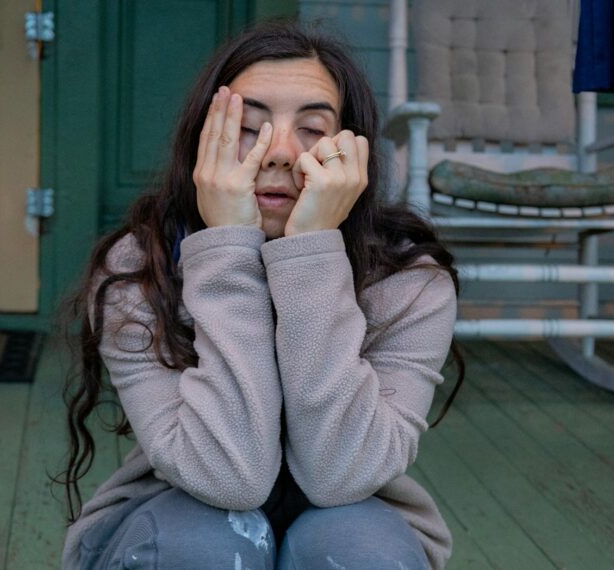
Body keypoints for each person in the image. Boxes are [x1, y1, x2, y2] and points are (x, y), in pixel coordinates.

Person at [57, 21, 463, 570]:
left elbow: (341, 475)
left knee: (356, 550)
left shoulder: (409, 281)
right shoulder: (137, 268)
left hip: (354, 512)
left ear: (354, 152)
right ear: (205, 144)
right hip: (175, 518)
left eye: (314, 129)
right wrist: (226, 248)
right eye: (247, 126)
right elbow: (230, 477)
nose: (277, 153)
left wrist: (312, 251)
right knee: (205, 544)